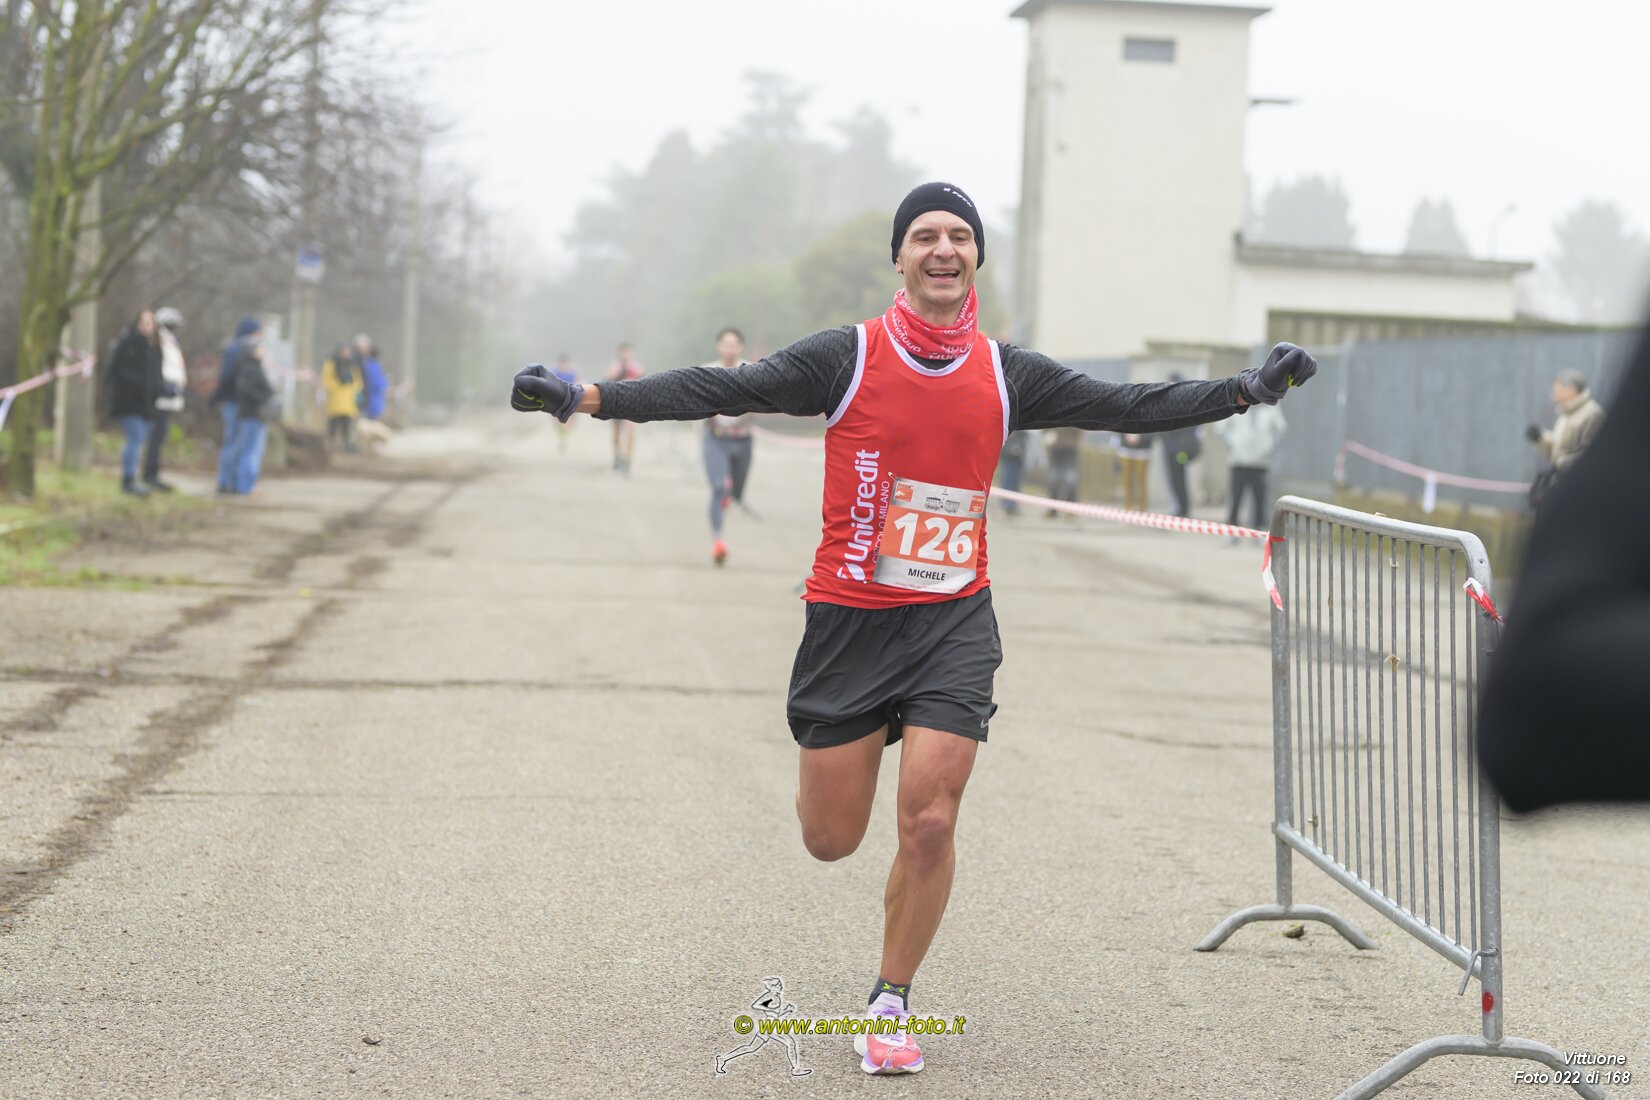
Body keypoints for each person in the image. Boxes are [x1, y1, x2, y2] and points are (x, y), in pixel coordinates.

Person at [509, 181, 1318, 1076]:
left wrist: (1245, 390)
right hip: (849, 621)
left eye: (959, 235)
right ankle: (842, 784)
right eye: (924, 235)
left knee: (931, 817)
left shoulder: (1008, 372)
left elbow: (1124, 405)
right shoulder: (845, 356)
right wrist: (585, 397)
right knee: (831, 838)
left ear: (976, 259)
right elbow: (721, 386)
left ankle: (891, 998)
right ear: (899, 258)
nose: (943, 247)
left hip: (951, 621)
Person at [1479, 326, 1647, 809]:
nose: (1555, 392)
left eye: (1559, 386)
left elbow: (1523, 722)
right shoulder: (1571, 416)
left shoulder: (1592, 416)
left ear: (1573, 390)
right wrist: (1544, 442)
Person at [701, 327, 756, 566]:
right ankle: (717, 542)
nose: (730, 348)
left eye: (734, 344)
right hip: (716, 439)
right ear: (719, 346)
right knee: (718, 487)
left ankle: (729, 493)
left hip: (743, 440)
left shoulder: (752, 371)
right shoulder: (708, 371)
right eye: (726, 344)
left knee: (736, 494)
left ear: (741, 347)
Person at [1524, 368, 1604, 509]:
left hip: (1581, 489)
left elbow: (1594, 454)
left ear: (1570, 391)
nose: (1553, 395)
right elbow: (1558, 448)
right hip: (1562, 485)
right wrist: (1540, 438)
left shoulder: (1592, 414)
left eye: (1557, 390)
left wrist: (1561, 463)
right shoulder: (1566, 414)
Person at [107, 310, 162, 497]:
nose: (148, 326)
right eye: (144, 322)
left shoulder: (153, 347)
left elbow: (156, 375)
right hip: (128, 403)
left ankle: (134, 478)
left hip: (147, 405)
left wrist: (159, 390)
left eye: (151, 322)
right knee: (135, 437)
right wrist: (139, 385)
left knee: (140, 440)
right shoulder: (127, 344)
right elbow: (116, 372)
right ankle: (128, 479)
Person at [1218, 401, 1286, 534]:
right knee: (1236, 497)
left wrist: (1269, 447)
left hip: (1260, 462)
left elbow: (1281, 429)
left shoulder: (1270, 405)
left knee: (1260, 498)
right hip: (1239, 461)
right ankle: (1231, 530)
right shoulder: (1237, 402)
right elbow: (1221, 429)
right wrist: (1232, 445)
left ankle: (1259, 529)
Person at [211, 316, 261, 494]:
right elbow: (226, 377)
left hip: (238, 403)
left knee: (237, 443)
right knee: (233, 443)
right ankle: (225, 482)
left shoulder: (240, 350)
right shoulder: (236, 351)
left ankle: (232, 482)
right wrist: (219, 396)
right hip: (234, 403)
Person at [140, 306, 187, 493]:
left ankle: (153, 472)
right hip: (161, 398)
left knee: (159, 438)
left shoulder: (169, 341)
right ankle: (150, 474)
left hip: (169, 397)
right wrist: (165, 387)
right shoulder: (160, 342)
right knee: (155, 438)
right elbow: (162, 368)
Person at [230, 334, 276, 495]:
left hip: (255, 416)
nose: (263, 351)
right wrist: (265, 398)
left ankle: (247, 486)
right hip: (252, 416)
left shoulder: (252, 367)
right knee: (250, 452)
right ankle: (244, 487)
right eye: (260, 348)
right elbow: (248, 392)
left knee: (252, 452)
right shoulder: (249, 368)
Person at [1158, 375, 1202, 518]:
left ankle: (1183, 509)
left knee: (1178, 478)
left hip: (1180, 450)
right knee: (1174, 479)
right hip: (1169, 447)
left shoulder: (1185, 402)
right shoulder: (1168, 402)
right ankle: (1180, 507)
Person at [604, 342, 644, 474]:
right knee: (617, 432)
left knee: (631, 431)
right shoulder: (614, 366)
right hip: (617, 402)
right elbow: (607, 379)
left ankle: (627, 460)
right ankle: (617, 454)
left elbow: (644, 380)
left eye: (628, 352)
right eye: (623, 352)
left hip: (632, 403)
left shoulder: (636, 366)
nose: (626, 354)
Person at [322, 343, 363, 452]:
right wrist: (335, 388)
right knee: (333, 424)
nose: (346, 354)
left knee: (347, 425)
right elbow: (326, 380)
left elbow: (358, 381)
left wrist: (355, 390)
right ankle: (330, 444)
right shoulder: (332, 364)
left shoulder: (352, 365)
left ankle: (346, 444)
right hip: (335, 400)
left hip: (348, 401)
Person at [354, 335, 391, 452]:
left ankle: (367, 446)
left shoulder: (365, 364)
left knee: (367, 423)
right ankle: (369, 446)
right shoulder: (374, 366)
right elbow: (380, 384)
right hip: (372, 399)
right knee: (371, 424)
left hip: (367, 398)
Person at [1044, 426, 1082, 518]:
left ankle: (1070, 509)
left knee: (1070, 479)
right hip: (1056, 446)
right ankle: (1052, 509)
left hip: (1070, 446)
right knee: (1054, 479)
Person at [995, 431, 1029, 517]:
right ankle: (1006, 505)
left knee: (1015, 481)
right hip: (1007, 451)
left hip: (1019, 453)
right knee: (1007, 479)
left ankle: (1013, 505)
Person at [1116, 431, 1152, 511]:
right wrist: (1126, 435)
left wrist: (1140, 437)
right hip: (1126, 449)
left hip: (1143, 450)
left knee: (1141, 481)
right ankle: (1128, 507)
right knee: (1126, 481)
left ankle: (1142, 509)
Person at [551, 355, 578, 453]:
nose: (563, 366)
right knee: (558, 422)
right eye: (562, 364)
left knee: (569, 421)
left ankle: (563, 438)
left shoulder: (572, 374)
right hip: (558, 400)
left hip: (570, 400)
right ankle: (563, 438)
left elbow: (577, 383)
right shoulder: (555, 373)